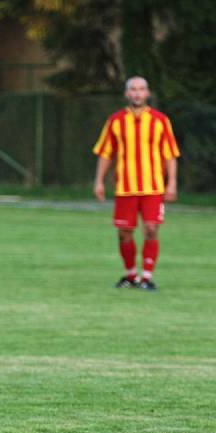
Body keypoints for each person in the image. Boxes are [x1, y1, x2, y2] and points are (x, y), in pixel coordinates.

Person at [93, 76, 180, 291]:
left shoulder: (161, 120)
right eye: (133, 89)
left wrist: (172, 184)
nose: (137, 93)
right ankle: (131, 275)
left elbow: (170, 155)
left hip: (153, 187)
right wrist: (99, 182)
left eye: (141, 89)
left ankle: (147, 276)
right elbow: (105, 153)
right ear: (126, 93)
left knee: (151, 229)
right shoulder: (115, 121)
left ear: (148, 93)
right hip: (125, 187)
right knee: (124, 233)